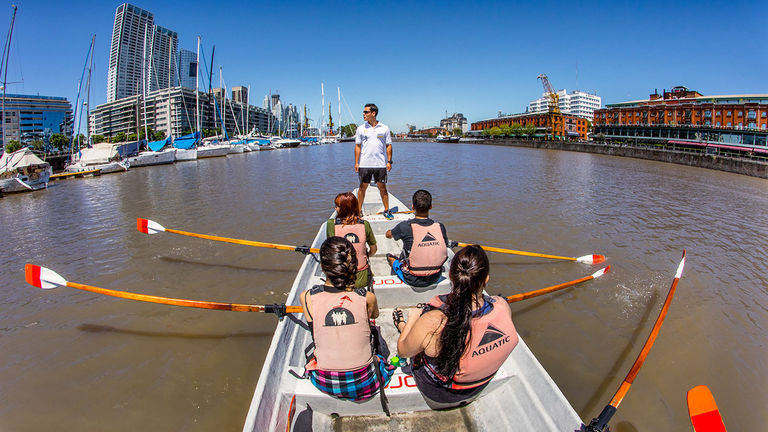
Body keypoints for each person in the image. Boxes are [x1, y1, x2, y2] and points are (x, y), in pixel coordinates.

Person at [392, 245, 519, 409]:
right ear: (486, 279)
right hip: (478, 387)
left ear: (451, 277)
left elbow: (403, 351)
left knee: (417, 332)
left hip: (439, 393)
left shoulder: (434, 320)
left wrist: (413, 318)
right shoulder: (502, 306)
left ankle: (403, 325)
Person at [299, 236, 394, 402]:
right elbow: (375, 316)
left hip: (325, 382)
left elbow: (313, 325)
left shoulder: (306, 297)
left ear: (322, 266)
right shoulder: (367, 297)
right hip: (366, 381)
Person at [385, 189, 448, 287]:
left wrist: (390, 232)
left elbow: (388, 235)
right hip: (435, 276)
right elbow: (445, 245)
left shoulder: (404, 226)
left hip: (412, 278)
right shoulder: (440, 227)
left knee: (390, 258)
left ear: (413, 207)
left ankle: (395, 264)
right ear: (430, 206)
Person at [326, 192, 377, 289]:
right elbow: (374, 249)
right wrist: (366, 255)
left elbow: (330, 252)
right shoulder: (365, 224)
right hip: (361, 278)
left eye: (337, 206)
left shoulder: (331, 224)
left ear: (344, 209)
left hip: (340, 278)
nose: (335, 209)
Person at [355, 103, 393, 218]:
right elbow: (357, 146)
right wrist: (356, 162)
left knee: (382, 187)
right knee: (362, 187)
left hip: (380, 164)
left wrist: (389, 161)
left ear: (373, 113)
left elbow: (388, 145)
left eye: (366, 112)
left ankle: (387, 210)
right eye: (364, 112)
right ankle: (358, 211)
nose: (363, 114)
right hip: (365, 164)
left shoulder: (384, 128)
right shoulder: (361, 129)